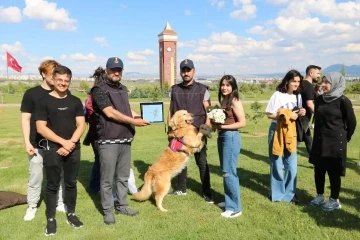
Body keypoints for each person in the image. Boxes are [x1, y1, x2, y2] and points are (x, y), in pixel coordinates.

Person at [90, 57, 150, 225]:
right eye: (113, 69)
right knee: (107, 179)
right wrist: (134, 121)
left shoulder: (122, 88)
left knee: (123, 177)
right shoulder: (98, 90)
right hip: (108, 140)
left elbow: (124, 108)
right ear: (106, 70)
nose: (116, 72)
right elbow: (110, 113)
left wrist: (137, 115)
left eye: (119, 70)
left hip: (125, 138)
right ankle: (108, 211)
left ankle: (122, 205)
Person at [35, 65, 86, 236]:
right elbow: (41, 128)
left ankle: (71, 214)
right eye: (60, 80)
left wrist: (70, 143)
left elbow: (81, 124)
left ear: (69, 82)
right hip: (52, 149)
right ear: (53, 80)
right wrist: (63, 143)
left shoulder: (75, 101)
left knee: (71, 183)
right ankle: (51, 219)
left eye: (66, 81)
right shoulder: (43, 102)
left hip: (73, 148)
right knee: (52, 185)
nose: (63, 83)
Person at [20, 60, 66, 221]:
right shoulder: (31, 94)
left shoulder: (62, 93)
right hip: (36, 144)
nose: (56, 77)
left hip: (57, 144)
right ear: (43, 74)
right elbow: (25, 119)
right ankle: (32, 206)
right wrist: (27, 142)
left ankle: (59, 202)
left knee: (57, 175)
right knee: (36, 177)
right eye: (52, 73)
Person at [85, 67, 138, 195]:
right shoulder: (98, 93)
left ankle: (95, 187)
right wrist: (134, 120)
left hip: (101, 134)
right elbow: (108, 113)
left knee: (101, 162)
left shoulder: (100, 93)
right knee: (110, 167)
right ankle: (122, 192)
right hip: (103, 134)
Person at [168, 59, 213, 203]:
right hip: (179, 134)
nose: (186, 73)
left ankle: (207, 192)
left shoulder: (202, 90)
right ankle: (181, 188)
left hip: (197, 133)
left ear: (194, 71)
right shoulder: (174, 89)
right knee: (180, 161)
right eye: (183, 70)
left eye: (188, 70)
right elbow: (171, 110)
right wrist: (169, 129)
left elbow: (209, 111)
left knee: (202, 163)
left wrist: (206, 128)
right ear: (180, 72)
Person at [309, 72, 356, 211]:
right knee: (319, 169)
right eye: (322, 81)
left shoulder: (343, 101)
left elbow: (352, 123)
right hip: (319, 139)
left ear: (335, 83)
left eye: (326, 82)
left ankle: (334, 200)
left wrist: (345, 137)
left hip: (335, 141)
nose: (322, 85)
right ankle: (319, 196)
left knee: (333, 171)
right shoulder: (320, 99)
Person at [265, 69, 306, 203]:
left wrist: (301, 112)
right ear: (287, 81)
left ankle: (290, 193)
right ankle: (276, 193)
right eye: (294, 81)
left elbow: (295, 114)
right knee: (276, 162)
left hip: (291, 130)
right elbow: (270, 114)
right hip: (276, 129)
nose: (296, 84)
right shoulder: (278, 95)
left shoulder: (298, 96)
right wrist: (287, 114)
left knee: (292, 165)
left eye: (298, 81)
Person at [211, 75, 246, 218]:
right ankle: (228, 200)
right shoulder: (224, 100)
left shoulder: (235, 101)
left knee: (229, 172)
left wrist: (223, 126)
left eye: (228, 85)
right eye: (222, 85)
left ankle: (235, 208)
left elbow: (242, 123)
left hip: (231, 138)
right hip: (223, 137)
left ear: (233, 87)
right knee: (225, 171)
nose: (224, 87)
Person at [299, 65, 321, 155]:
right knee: (296, 141)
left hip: (303, 117)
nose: (319, 76)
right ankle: (286, 162)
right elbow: (310, 104)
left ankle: (315, 161)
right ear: (311, 73)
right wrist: (320, 116)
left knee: (308, 139)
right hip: (302, 118)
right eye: (318, 73)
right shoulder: (308, 86)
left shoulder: (303, 83)